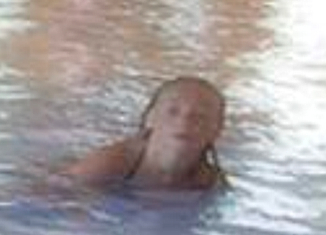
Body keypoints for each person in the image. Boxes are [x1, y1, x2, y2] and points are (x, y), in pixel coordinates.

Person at [60, 73, 230, 195]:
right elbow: (56, 198)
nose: (184, 123)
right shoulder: (107, 165)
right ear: (150, 119)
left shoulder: (210, 182)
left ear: (217, 130)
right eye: (172, 112)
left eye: (200, 117)